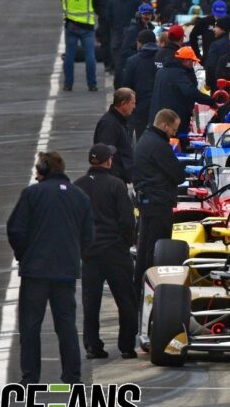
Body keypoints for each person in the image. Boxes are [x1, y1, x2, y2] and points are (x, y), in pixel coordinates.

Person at [6, 151, 94, 384]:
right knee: (66, 325)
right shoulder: (80, 197)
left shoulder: (32, 194)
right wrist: (73, 256)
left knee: (30, 327)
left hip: (35, 272)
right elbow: (89, 237)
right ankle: (72, 376)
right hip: (66, 272)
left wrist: (24, 255)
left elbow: (15, 230)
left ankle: (30, 378)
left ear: (44, 170)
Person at [75, 144, 138, 361]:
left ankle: (92, 346)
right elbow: (128, 220)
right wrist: (125, 244)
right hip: (115, 252)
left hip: (90, 254)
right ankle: (127, 346)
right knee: (126, 300)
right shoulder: (116, 185)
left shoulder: (78, 186)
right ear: (108, 161)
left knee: (91, 302)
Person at [133, 109, 184, 291]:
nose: (174, 134)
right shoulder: (159, 145)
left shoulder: (146, 139)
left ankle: (139, 287)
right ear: (164, 125)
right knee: (156, 250)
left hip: (149, 202)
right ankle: (151, 289)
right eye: (173, 129)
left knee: (145, 248)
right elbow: (178, 175)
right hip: (158, 203)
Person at [150, 45, 211, 140]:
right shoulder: (179, 74)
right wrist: (211, 101)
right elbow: (190, 92)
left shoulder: (161, 72)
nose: (193, 64)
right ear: (186, 61)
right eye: (192, 61)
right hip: (172, 119)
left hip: (157, 117)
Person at [61, 0, 99, 92]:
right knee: (90, 55)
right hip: (87, 27)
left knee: (69, 56)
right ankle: (92, 84)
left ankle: (68, 84)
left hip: (71, 26)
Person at [119, 30, 161, 138]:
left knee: (139, 138)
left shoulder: (132, 61)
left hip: (138, 107)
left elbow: (126, 86)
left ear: (140, 43)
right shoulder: (163, 58)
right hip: (160, 106)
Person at [92, 88, 136, 183]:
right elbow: (104, 154)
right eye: (132, 103)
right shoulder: (109, 124)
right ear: (123, 103)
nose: (134, 106)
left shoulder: (119, 121)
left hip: (119, 178)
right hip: (114, 180)